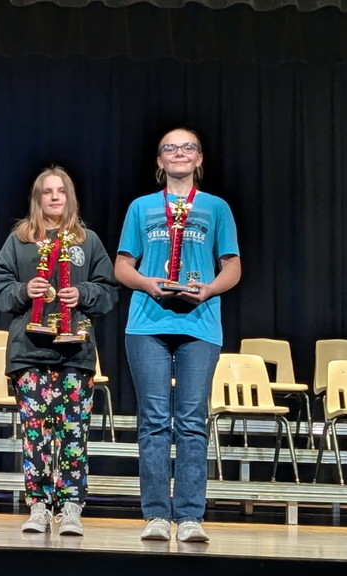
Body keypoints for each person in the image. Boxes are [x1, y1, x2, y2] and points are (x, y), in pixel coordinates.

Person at [115, 128, 241, 543]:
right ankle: (155, 514)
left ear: (199, 158)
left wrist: (208, 289)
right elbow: (122, 267)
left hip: (200, 323)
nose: (179, 153)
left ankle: (189, 516)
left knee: (191, 422)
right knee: (153, 422)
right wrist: (148, 284)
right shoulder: (141, 207)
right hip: (148, 323)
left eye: (188, 147)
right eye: (170, 147)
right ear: (159, 161)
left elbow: (232, 267)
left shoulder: (216, 207)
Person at [0, 166, 118, 536]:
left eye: (61, 191)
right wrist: (23, 290)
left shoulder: (87, 242)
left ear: (70, 197)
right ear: (38, 198)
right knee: (36, 433)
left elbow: (108, 290)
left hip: (74, 352)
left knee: (73, 431)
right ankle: (39, 506)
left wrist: (85, 294)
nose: (55, 197)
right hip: (29, 353)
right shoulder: (21, 240)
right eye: (48, 191)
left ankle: (72, 506)